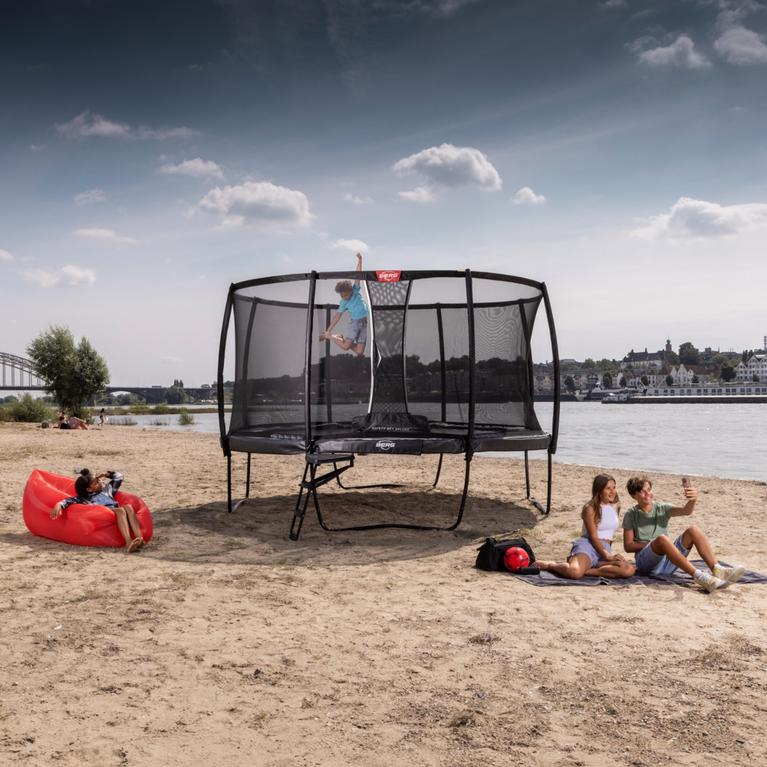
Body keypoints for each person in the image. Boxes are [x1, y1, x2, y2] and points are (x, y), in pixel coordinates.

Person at [622, 475, 745, 592]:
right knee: (662, 539)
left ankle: (717, 569)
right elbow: (628, 546)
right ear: (634, 496)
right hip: (647, 564)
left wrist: (693, 500)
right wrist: (654, 544)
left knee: (693, 530)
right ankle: (700, 577)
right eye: (642, 492)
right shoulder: (631, 514)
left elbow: (686, 511)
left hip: (669, 562)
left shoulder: (662, 508)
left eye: (649, 489)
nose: (648, 493)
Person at [536, 474, 636, 580]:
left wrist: (608, 553)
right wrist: (607, 555)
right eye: (608, 488)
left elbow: (609, 534)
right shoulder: (590, 508)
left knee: (628, 570)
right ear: (599, 491)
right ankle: (550, 565)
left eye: (614, 487)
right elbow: (593, 536)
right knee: (574, 573)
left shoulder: (614, 506)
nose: (612, 491)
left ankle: (588, 570)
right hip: (589, 546)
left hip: (604, 550)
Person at [51, 469, 145, 553]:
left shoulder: (106, 491)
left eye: (99, 480)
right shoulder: (83, 499)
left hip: (118, 512)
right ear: (88, 489)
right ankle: (128, 542)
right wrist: (59, 504)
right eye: (96, 482)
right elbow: (68, 501)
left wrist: (106, 474)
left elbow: (119, 477)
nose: (100, 482)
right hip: (106, 515)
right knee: (120, 510)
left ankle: (139, 538)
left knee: (128, 507)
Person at [319, 252, 368, 356]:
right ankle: (330, 336)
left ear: (350, 291)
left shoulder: (355, 290)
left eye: (346, 295)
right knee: (345, 346)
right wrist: (328, 331)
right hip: (355, 324)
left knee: (360, 351)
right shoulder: (343, 303)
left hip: (364, 323)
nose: (344, 297)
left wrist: (360, 260)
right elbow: (337, 317)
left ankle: (339, 338)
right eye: (342, 295)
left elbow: (357, 275)